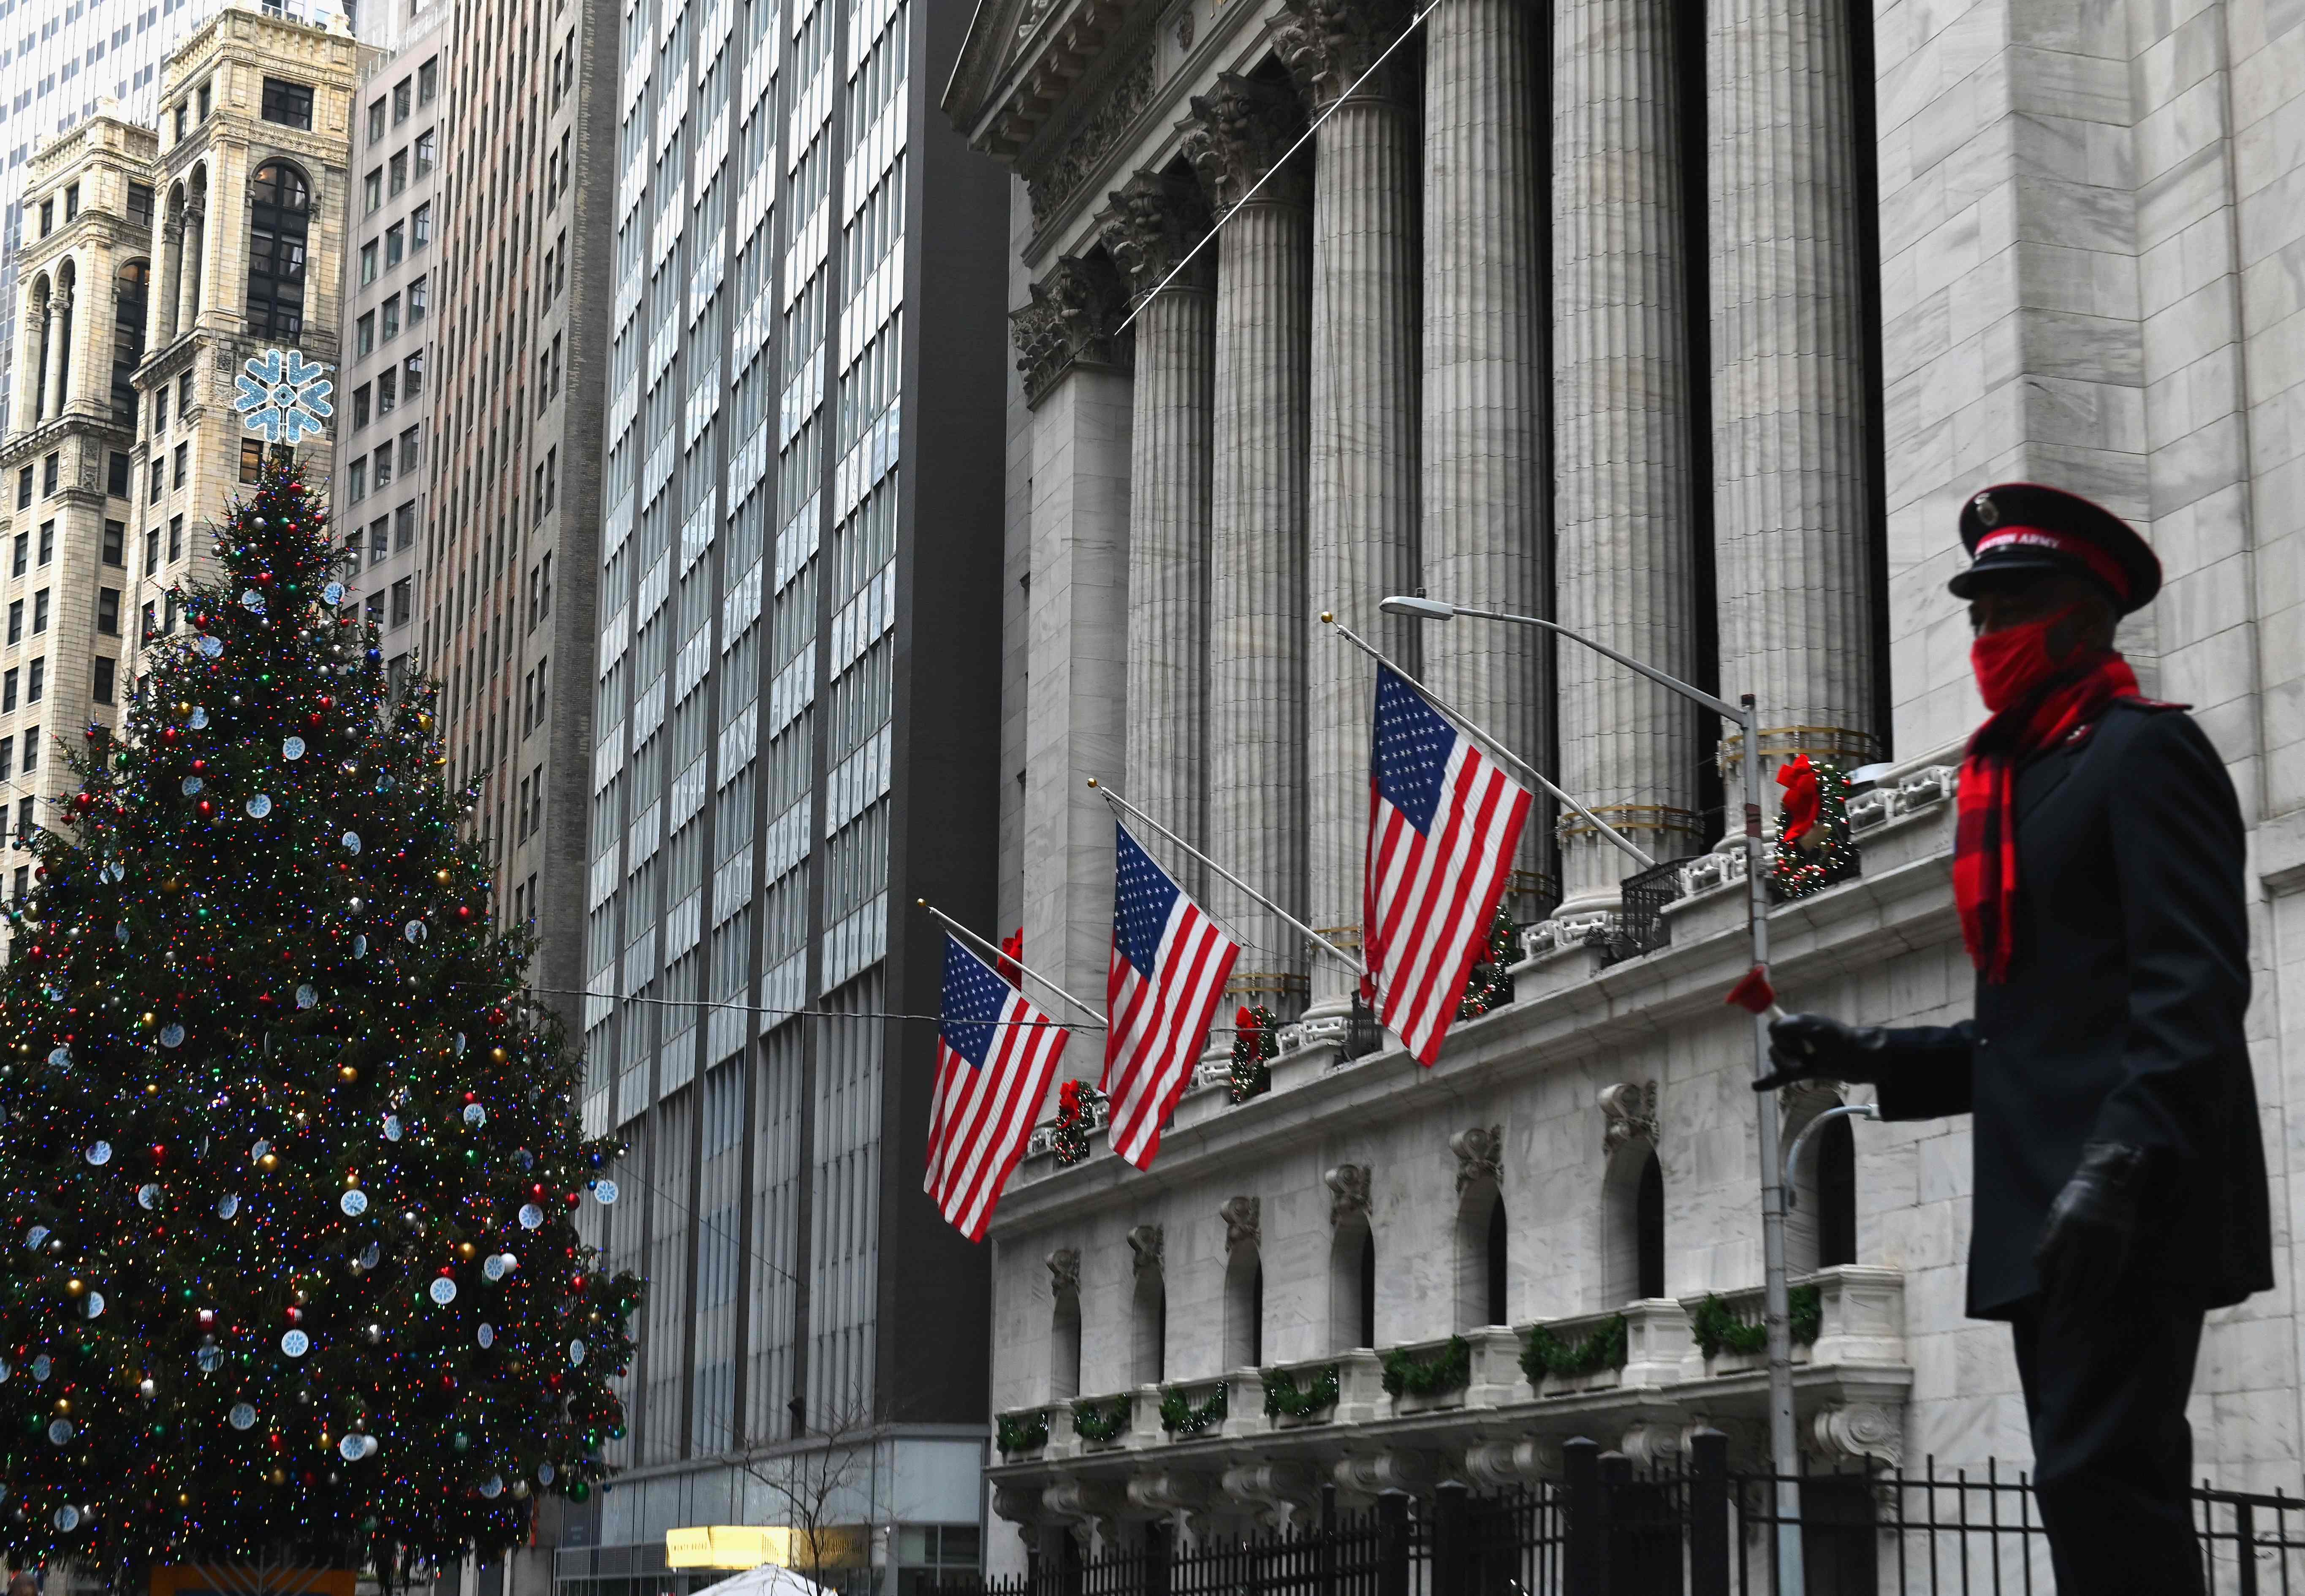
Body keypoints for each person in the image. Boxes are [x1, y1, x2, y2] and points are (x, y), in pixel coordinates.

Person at [1755, 483, 2270, 1595]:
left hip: (2124, 1191)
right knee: (2084, 1485)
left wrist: (2121, 1162)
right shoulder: (2017, 778)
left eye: (2011, 610)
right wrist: (1861, 1052)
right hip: (2049, 1199)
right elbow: (2031, 1037)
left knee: (2103, 1478)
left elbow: (2193, 984)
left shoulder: (2144, 754)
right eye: (1978, 615)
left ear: (2084, 618)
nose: (1987, 636)